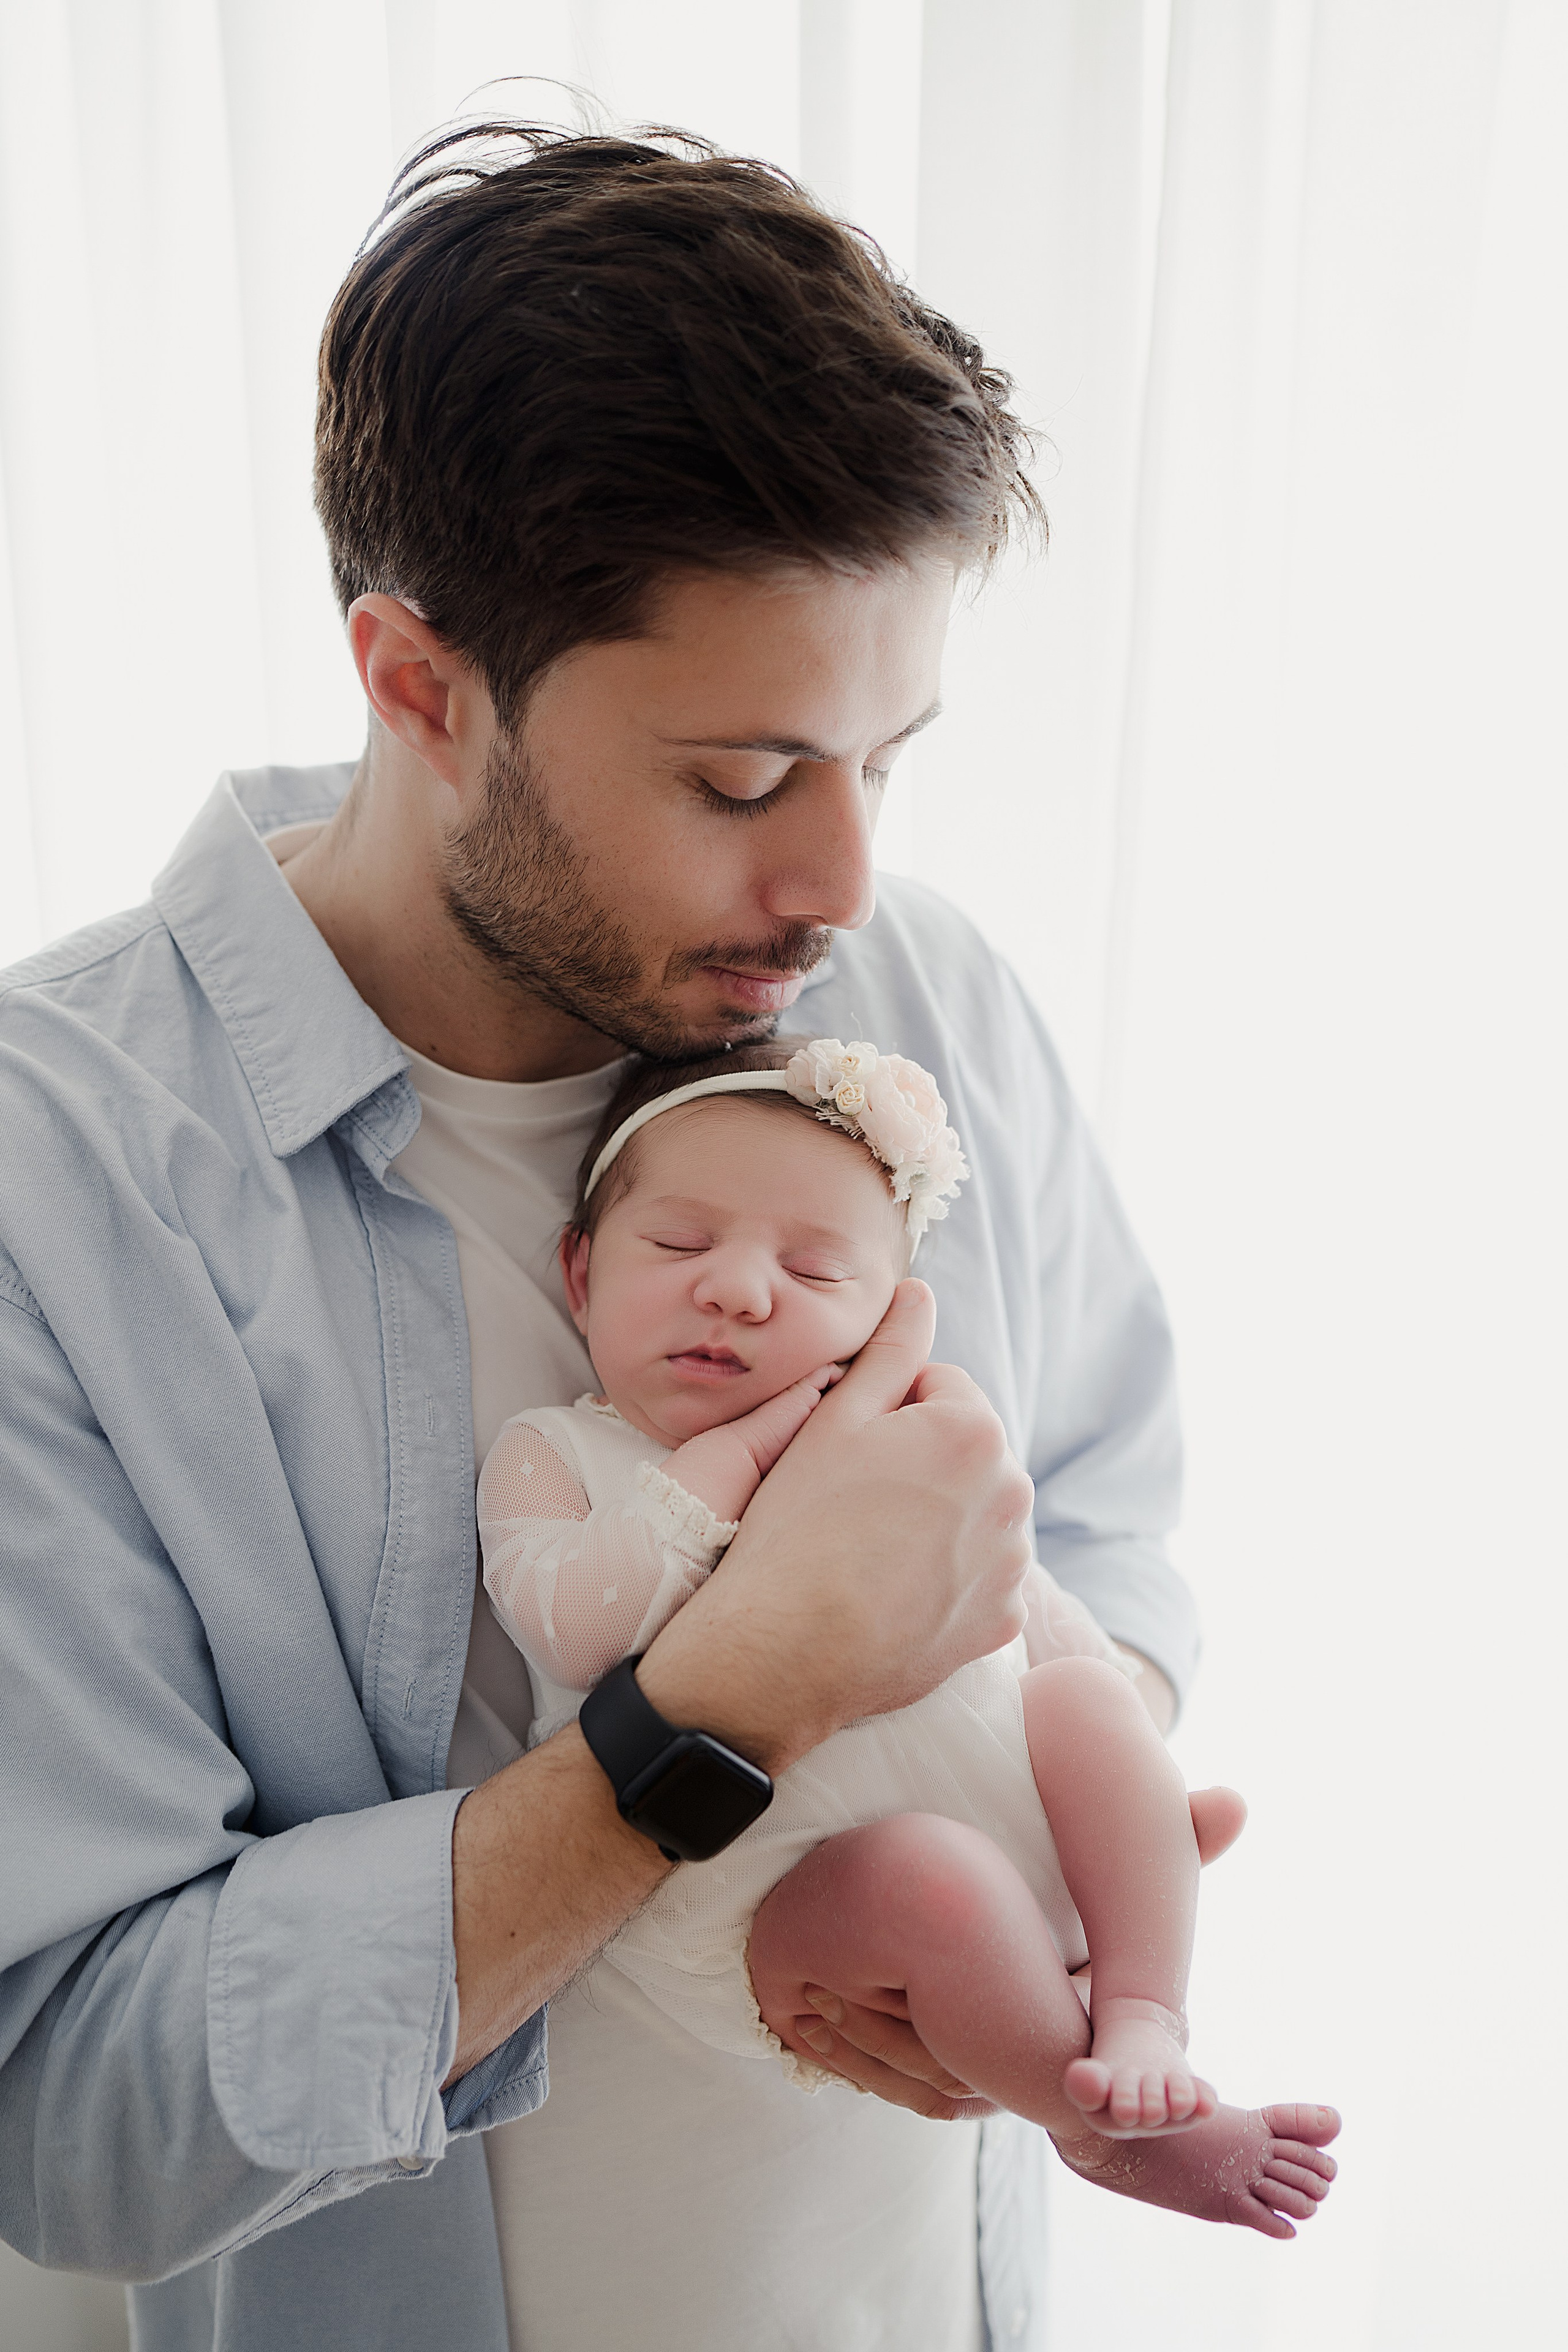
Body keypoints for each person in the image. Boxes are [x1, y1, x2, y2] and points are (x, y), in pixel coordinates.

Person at [0, 123, 1216, 2350]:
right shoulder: (48, 1184)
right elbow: (69, 2113)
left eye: (885, 755)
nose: (842, 879)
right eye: (743, 783)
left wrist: (1035, 1850)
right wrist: (715, 1717)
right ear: (417, 685)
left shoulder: (921, 996)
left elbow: (1113, 1520)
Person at [477, 1034, 1340, 2231]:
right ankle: (1092, 2130)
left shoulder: (905, 1441)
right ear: (579, 1277)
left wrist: (1118, 1796)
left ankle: (1143, 2003)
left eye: (817, 1273)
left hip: (999, 1815)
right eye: (676, 1244)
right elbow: (577, 1634)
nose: (735, 1288)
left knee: (1089, 1698)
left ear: (886, 1324)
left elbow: (1027, 1607)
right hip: (767, 1893)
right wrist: (734, 1459)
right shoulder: (556, 1452)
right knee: (929, 1885)